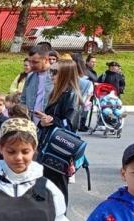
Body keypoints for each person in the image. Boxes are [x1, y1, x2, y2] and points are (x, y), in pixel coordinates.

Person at [36, 59, 81, 204]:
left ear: (65, 74)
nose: (51, 75)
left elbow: (70, 125)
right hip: (48, 147)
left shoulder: (71, 95)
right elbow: (52, 121)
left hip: (60, 150)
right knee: (46, 188)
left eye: (55, 72)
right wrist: (43, 122)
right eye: (51, 71)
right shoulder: (57, 93)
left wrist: (50, 120)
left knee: (58, 191)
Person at [21, 46, 54, 121]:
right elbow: (23, 99)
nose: (31, 65)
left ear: (45, 60)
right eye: (30, 61)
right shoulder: (30, 76)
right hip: (31, 121)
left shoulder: (55, 76)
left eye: (35, 62)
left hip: (48, 122)